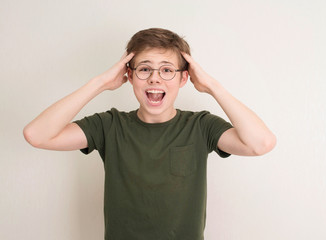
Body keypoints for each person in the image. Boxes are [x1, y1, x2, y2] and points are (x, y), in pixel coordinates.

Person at [23, 28, 276, 240]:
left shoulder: (201, 126)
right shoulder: (110, 125)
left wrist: (212, 86)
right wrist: (99, 83)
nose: (155, 78)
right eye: (145, 69)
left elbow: (261, 143)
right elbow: (37, 135)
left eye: (167, 70)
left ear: (184, 78)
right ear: (130, 76)